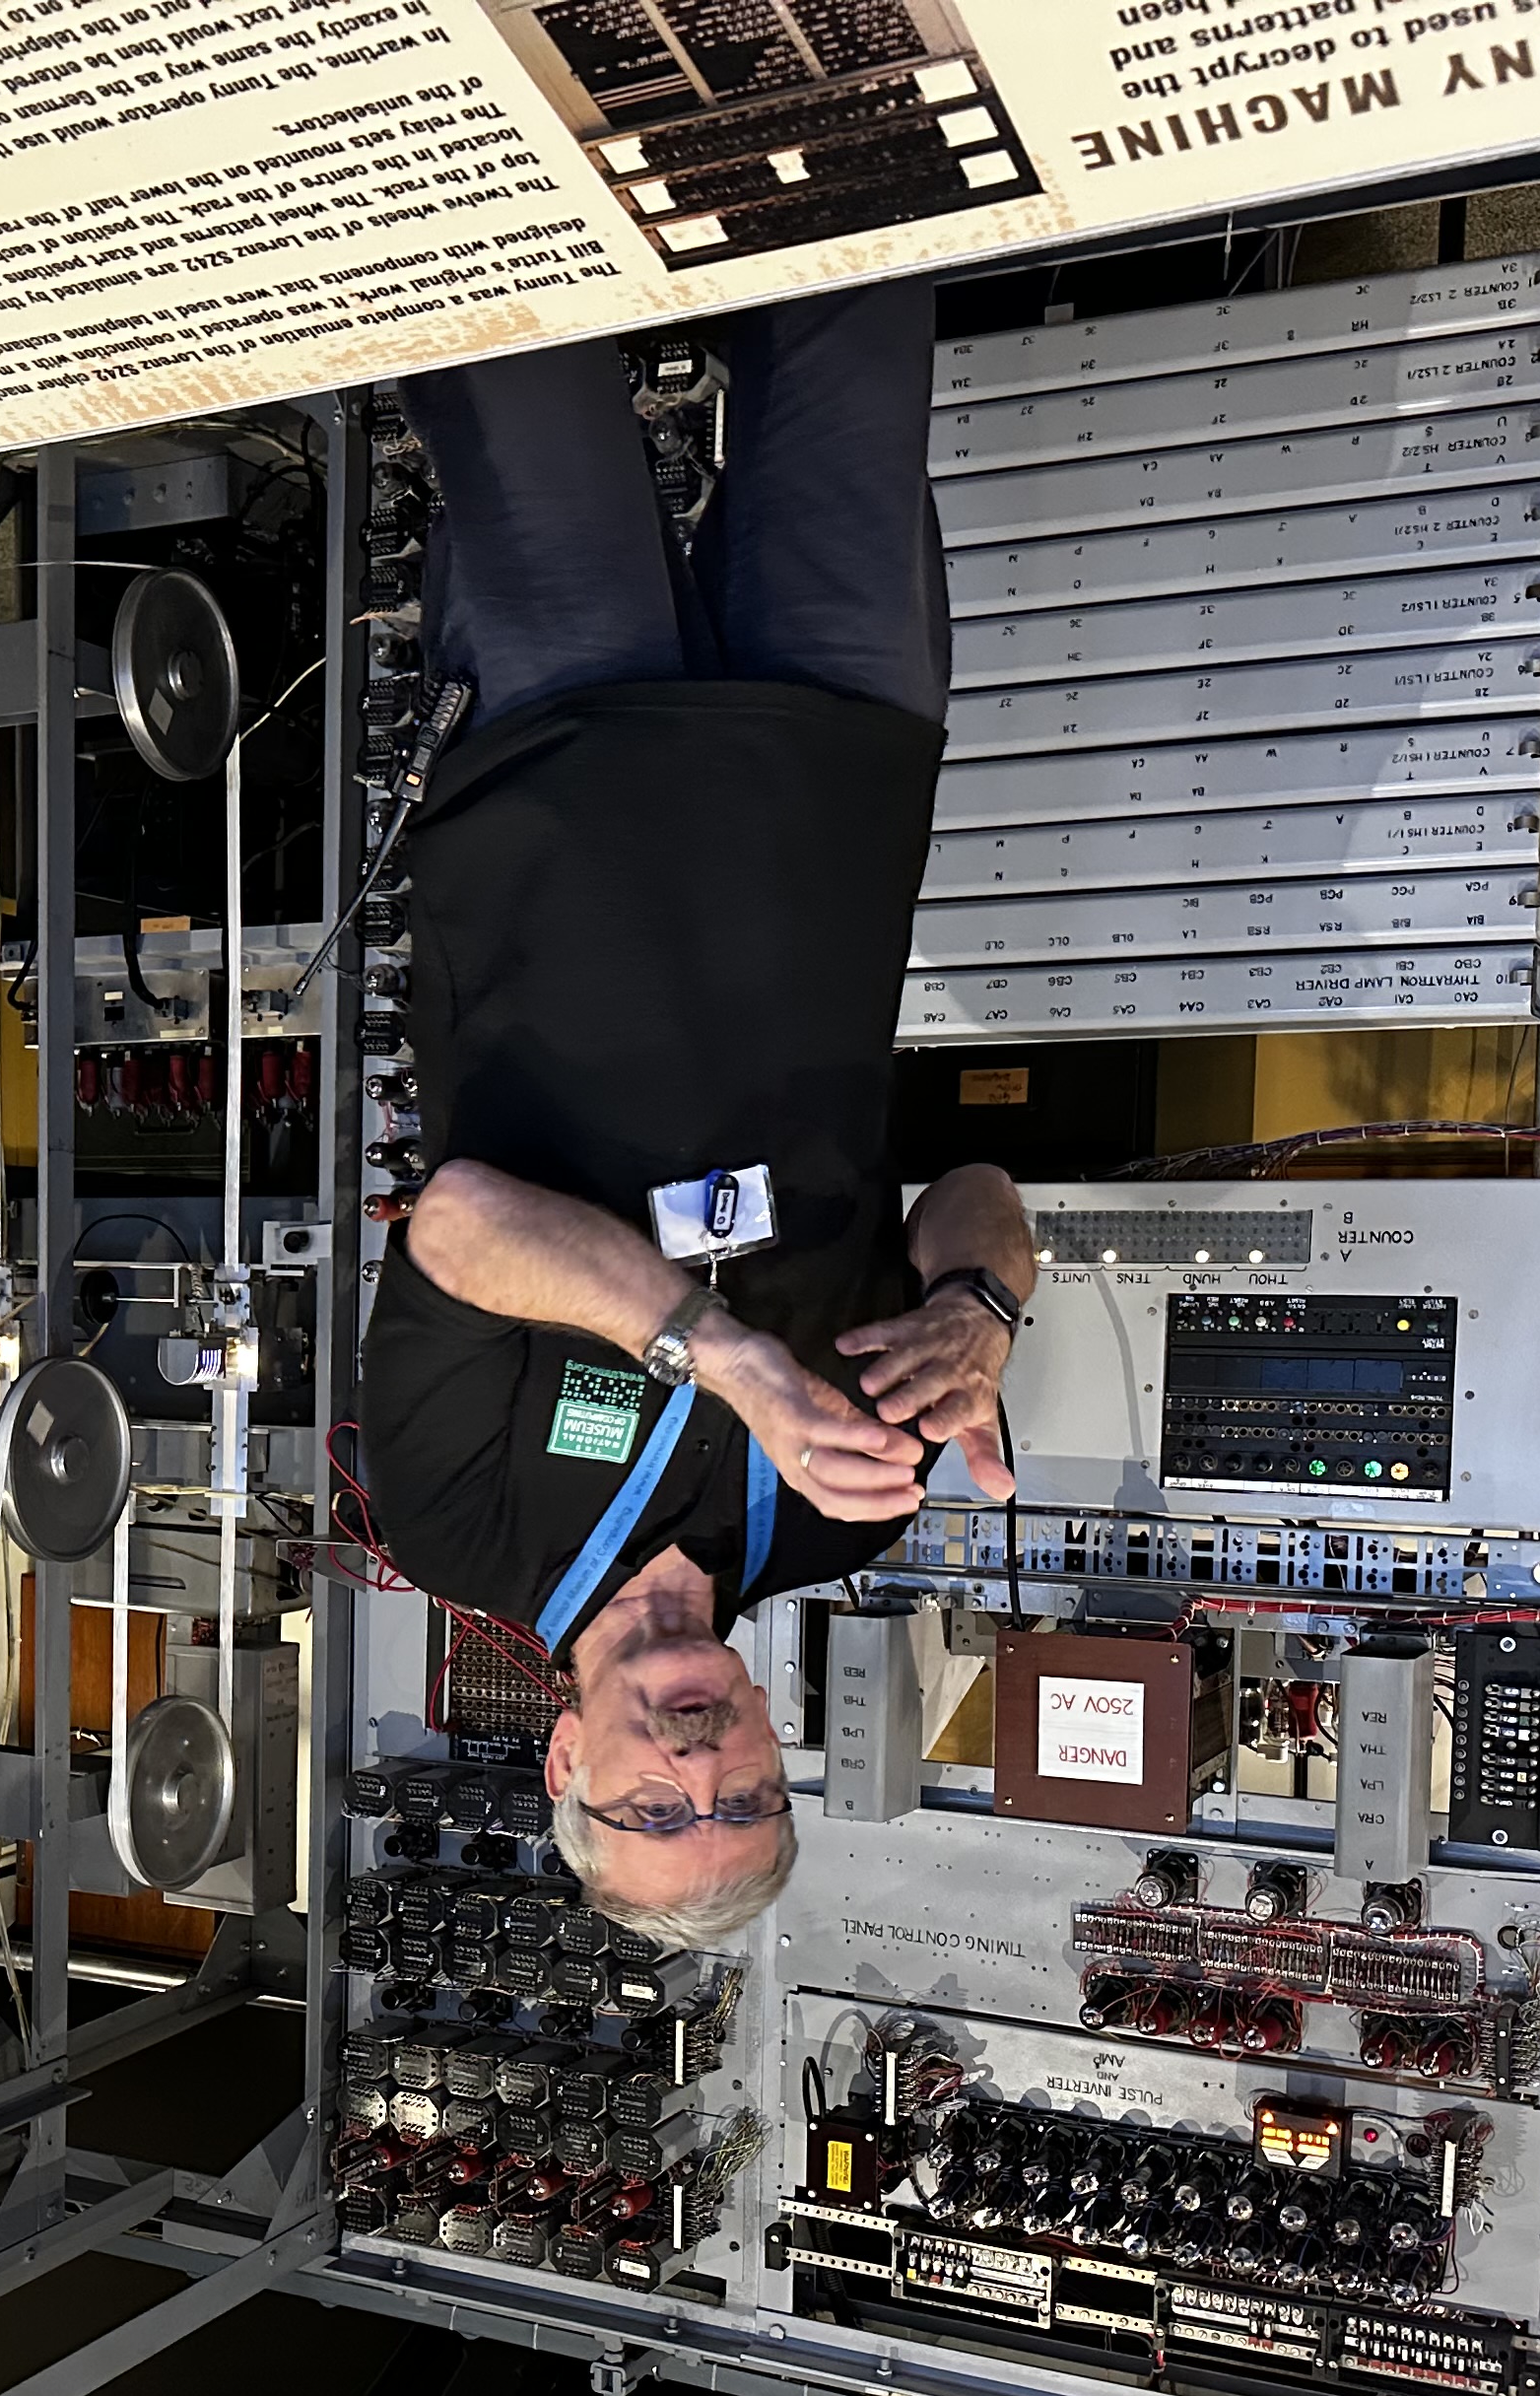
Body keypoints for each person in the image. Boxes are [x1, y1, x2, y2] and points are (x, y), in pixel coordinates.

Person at [356, 283, 1039, 1951]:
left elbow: (460, 1228)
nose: (694, 1766)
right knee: (861, 318)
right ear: (776, 1750)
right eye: (740, 1796)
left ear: (567, 1762)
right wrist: (979, 1310)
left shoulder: (464, 1529)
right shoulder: (835, 1508)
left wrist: (725, 1356)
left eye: (652, 1808)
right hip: (831, 783)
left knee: (516, 346)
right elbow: (971, 1185)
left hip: (560, 778)